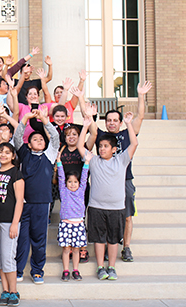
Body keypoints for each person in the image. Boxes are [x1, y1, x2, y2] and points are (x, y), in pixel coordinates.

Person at [90, 81, 152, 262]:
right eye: (108, 120)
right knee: (106, 216)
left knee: (126, 217)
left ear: (119, 121)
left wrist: (140, 95)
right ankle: (109, 247)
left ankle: (126, 247)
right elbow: (90, 124)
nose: (111, 123)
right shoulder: (101, 136)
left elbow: (140, 117)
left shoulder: (127, 134)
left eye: (115, 120)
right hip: (105, 184)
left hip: (125, 181)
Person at [77, 112, 138, 280]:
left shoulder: (122, 160)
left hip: (116, 208)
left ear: (114, 149)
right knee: (98, 239)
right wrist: (85, 126)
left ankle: (111, 267)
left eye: (106, 146)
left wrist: (128, 124)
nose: (102, 148)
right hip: (97, 207)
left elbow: (134, 143)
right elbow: (81, 147)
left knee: (112, 239)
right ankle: (100, 267)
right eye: (100, 146)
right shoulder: (94, 160)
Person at [13, 108, 60, 284]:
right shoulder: (24, 154)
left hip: (42, 204)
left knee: (39, 238)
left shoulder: (49, 155)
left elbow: (55, 139)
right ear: (30, 144)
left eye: (41, 139)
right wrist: (25, 118)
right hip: (24, 204)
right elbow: (17, 138)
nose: (39, 141)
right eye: (35, 139)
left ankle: (38, 270)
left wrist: (45, 121)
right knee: (22, 238)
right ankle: (18, 270)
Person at [0, 142, 24, 306]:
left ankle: (13, 291)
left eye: (7, 152)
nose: (3, 155)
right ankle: (5, 291)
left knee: (8, 258)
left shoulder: (17, 173)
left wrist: (14, 223)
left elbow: (19, 201)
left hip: (10, 222)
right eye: (0, 152)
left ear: (13, 156)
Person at [56, 149, 91, 281]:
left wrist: (87, 162)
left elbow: (84, 176)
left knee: (76, 250)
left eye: (75, 182)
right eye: (70, 182)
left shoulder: (81, 190)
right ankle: (66, 270)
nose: (72, 184)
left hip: (78, 225)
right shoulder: (64, 191)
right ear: (66, 183)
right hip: (66, 224)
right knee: (66, 250)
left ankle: (75, 270)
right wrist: (59, 161)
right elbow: (60, 176)